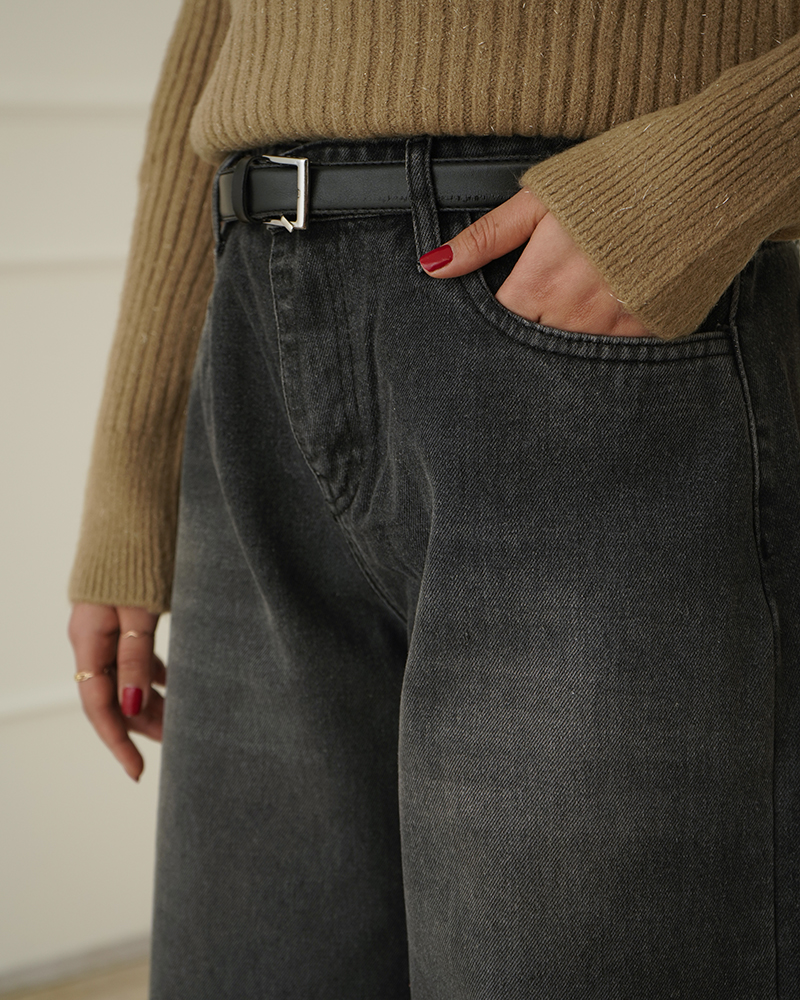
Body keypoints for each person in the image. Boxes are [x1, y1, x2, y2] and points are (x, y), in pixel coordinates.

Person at [68, 1, 800, 997]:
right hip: (252, 324)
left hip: (586, 339)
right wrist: (130, 476)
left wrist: (708, 176)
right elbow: (214, 26)